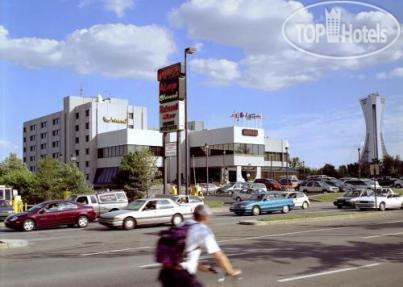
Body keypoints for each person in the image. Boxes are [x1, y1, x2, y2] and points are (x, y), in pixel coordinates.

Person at [158, 205, 241, 287]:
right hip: (182, 277)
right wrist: (230, 271)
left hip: (166, 274)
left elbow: (184, 252)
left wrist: (198, 265)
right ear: (205, 217)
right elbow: (218, 255)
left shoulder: (183, 224)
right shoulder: (202, 230)